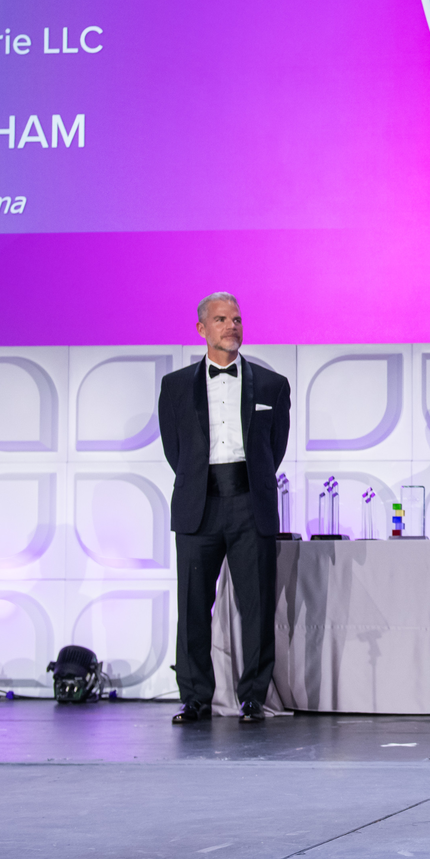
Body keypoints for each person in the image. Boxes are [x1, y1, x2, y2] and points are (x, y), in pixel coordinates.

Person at [157, 292, 292, 724]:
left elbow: (276, 448)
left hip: (250, 504)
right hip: (199, 507)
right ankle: (195, 697)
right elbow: (175, 451)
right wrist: (204, 484)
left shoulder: (273, 386)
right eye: (220, 319)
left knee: (256, 605)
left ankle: (252, 696)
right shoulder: (175, 387)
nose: (231, 325)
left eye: (236, 318)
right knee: (194, 606)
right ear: (202, 329)